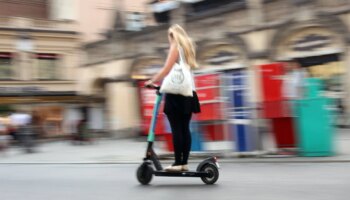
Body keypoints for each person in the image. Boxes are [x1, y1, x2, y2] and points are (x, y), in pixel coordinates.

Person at [145, 24, 201, 172]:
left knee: (177, 128)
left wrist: (152, 81)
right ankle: (183, 162)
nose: (169, 40)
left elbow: (166, 69)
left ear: (173, 36)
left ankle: (177, 163)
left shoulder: (176, 46)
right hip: (189, 93)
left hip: (176, 95)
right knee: (184, 128)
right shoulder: (188, 49)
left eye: (169, 37)